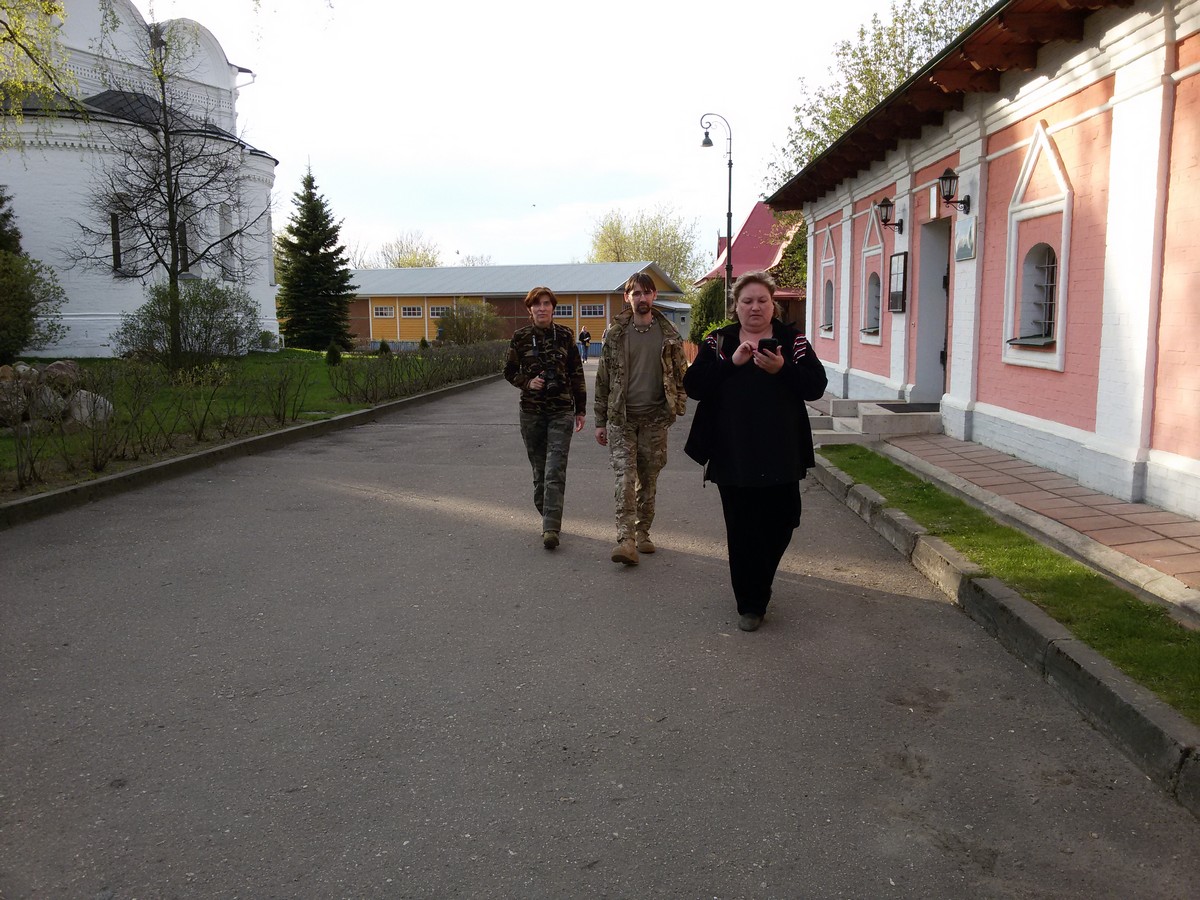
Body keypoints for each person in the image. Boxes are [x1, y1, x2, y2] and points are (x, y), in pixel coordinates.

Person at [682, 271, 828, 632]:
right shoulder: (718, 341)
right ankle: (750, 603)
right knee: (742, 529)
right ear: (736, 306)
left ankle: (759, 581)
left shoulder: (792, 341)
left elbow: (815, 386)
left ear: (773, 304)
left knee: (784, 520)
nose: (755, 307)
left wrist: (782, 369)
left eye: (762, 300)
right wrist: (730, 364)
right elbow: (694, 386)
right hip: (732, 452)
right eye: (747, 301)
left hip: (781, 451)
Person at [594, 272, 688, 565]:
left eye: (646, 292)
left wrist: (678, 405)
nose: (642, 298)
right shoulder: (615, 334)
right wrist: (599, 421)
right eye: (636, 293)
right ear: (627, 297)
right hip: (622, 418)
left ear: (654, 296)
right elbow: (603, 379)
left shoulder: (669, 333)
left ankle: (643, 531)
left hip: (655, 419)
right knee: (625, 477)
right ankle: (626, 541)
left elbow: (681, 373)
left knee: (648, 478)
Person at [504, 286, 587, 550]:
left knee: (555, 469)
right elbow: (508, 371)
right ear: (530, 309)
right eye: (537, 304)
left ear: (553, 308)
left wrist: (581, 409)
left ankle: (551, 528)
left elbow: (576, 373)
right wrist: (528, 382)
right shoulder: (520, 337)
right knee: (540, 472)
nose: (542, 308)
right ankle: (547, 511)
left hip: (561, 410)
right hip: (531, 413)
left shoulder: (565, 335)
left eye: (546, 304)